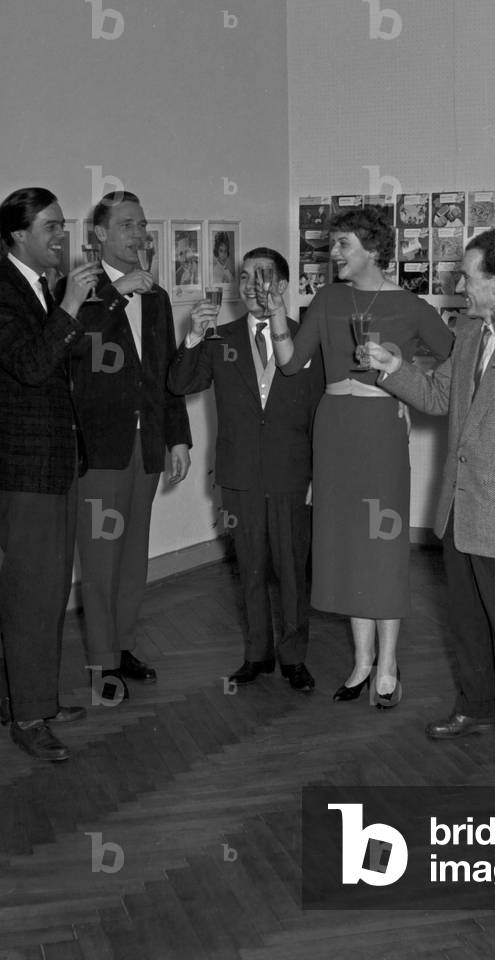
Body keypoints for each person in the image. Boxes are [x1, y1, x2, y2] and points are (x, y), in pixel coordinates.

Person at [365, 229, 495, 764]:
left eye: (468, 276)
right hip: (459, 509)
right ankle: (479, 705)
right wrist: (392, 368)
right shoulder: (470, 334)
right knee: (468, 619)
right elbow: (437, 396)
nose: (459, 284)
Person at [267, 205, 454, 709]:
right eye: (334, 245)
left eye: (343, 244)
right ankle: (361, 662)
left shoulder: (412, 307)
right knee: (347, 543)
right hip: (334, 431)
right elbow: (290, 365)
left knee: (382, 546)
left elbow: (458, 357)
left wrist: (410, 388)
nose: (334, 254)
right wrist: (276, 312)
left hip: (379, 432)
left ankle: (389, 663)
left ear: (373, 248)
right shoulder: (326, 298)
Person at [0, 187, 102, 762]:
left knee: (47, 593)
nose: (60, 237)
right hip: (22, 472)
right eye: (50, 227)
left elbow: (58, 364)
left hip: (53, 463)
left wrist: (80, 302)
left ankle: (32, 698)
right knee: (30, 595)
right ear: (18, 234)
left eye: (62, 225)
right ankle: (28, 716)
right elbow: (29, 367)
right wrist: (69, 306)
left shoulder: (38, 286)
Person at [168, 248, 323, 690]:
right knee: (250, 569)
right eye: (245, 276)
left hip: (293, 472)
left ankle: (294, 657)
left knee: (293, 570)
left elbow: (318, 409)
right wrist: (194, 337)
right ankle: (257, 654)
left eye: (264, 276)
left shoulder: (306, 338)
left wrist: (319, 475)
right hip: (239, 474)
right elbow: (180, 384)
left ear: (283, 285)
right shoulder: (220, 336)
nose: (253, 285)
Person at [58, 191, 192, 700]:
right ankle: (99, 660)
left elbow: (164, 374)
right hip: (100, 451)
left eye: (142, 225)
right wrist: (119, 294)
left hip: (147, 446)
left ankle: (123, 645)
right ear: (98, 236)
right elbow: (73, 347)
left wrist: (178, 437)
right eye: (127, 226)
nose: (138, 235)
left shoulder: (155, 296)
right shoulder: (79, 290)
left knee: (134, 557)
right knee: (98, 560)